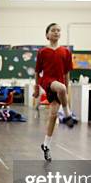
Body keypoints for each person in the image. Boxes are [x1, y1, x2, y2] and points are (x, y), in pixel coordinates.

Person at [33, 23, 76, 162]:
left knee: (53, 115)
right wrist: (36, 87)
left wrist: (67, 91)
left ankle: (46, 145)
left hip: (60, 84)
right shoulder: (42, 51)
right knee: (61, 88)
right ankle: (68, 115)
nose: (56, 32)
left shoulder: (66, 51)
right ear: (47, 35)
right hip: (47, 81)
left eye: (58, 30)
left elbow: (67, 73)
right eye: (53, 30)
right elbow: (37, 72)